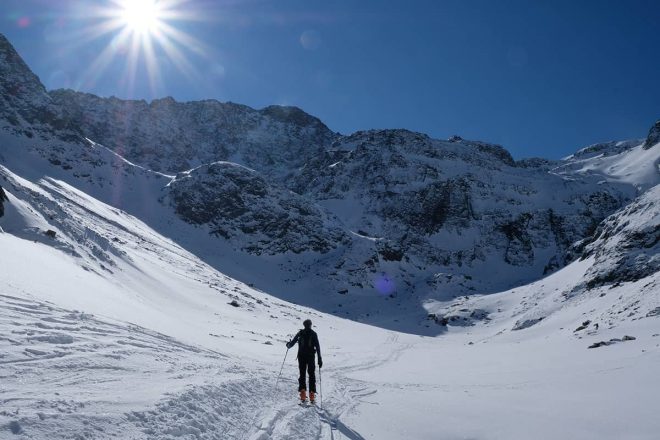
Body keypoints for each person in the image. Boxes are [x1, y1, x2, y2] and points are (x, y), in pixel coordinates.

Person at [286, 319, 322, 403]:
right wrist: (319, 359)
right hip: (311, 357)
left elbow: (291, 344)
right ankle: (312, 395)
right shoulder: (314, 334)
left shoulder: (300, 333)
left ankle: (302, 394)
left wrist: (288, 345)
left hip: (301, 356)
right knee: (311, 374)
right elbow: (318, 347)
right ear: (310, 325)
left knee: (302, 374)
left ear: (304, 325)